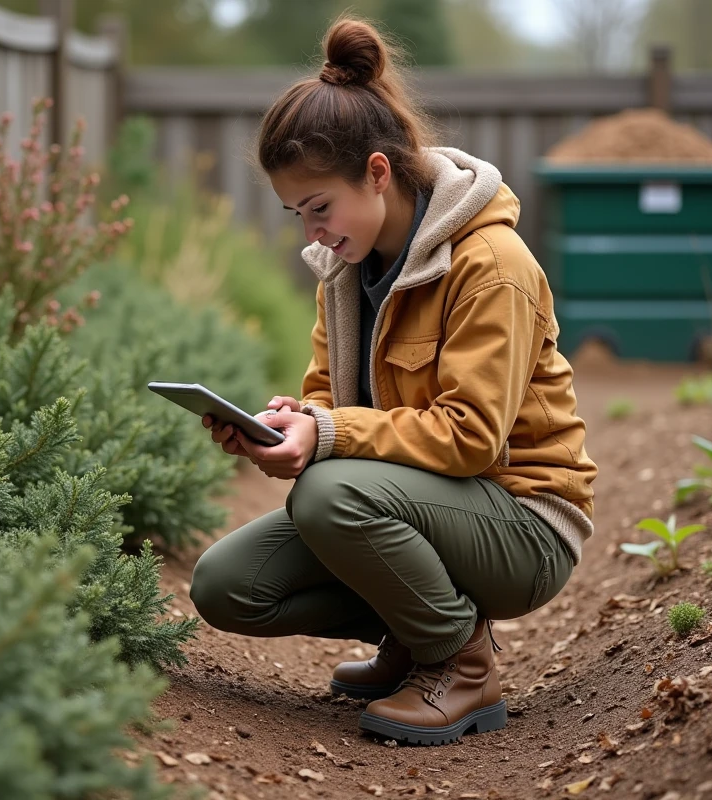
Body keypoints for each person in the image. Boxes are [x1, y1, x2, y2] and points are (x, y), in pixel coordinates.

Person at [188, 15, 598, 746]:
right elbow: (328, 396)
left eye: (320, 207)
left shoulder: (490, 265)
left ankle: (461, 665)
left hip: (522, 522)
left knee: (329, 491)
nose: (311, 231)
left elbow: (472, 438)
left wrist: (328, 438)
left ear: (377, 171)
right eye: (297, 213)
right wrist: (292, 423)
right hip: (422, 506)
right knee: (227, 588)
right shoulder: (344, 269)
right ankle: (417, 633)